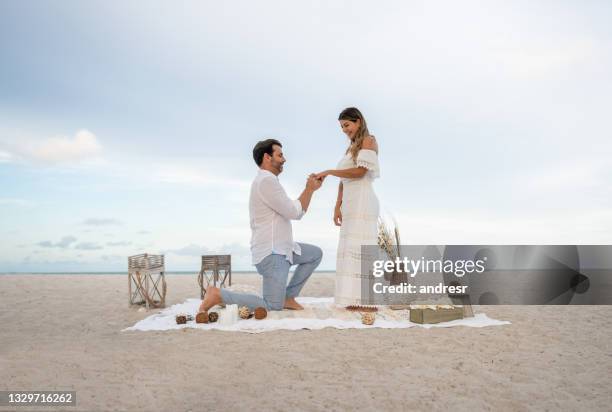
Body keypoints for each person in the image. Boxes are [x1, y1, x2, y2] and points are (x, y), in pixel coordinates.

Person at [198, 139, 324, 313]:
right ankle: (219, 295)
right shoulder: (266, 182)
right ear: (267, 157)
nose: (284, 159)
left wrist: (310, 190)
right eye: (280, 155)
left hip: (284, 249)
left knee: (315, 254)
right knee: (272, 306)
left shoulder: (269, 181)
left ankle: (288, 296)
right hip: (273, 255)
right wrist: (309, 189)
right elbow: (294, 213)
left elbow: (297, 211)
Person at [315, 107, 380, 307]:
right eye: (342, 127)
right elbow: (344, 180)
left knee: (360, 248)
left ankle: (363, 300)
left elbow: (360, 172)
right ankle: (350, 299)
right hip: (350, 202)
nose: (344, 130)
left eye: (347, 125)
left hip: (362, 200)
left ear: (358, 121)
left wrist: (329, 171)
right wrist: (337, 206)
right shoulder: (350, 148)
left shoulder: (369, 140)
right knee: (348, 247)